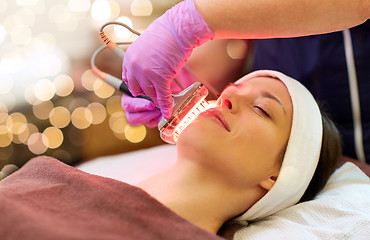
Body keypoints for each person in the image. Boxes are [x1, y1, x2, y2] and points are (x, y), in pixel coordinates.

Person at [0, 70, 341, 239]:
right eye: (229, 91)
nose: (224, 99)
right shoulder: (50, 174)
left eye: (261, 109)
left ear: (277, 177)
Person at [120, 0, 370, 163]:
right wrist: (178, 75)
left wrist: (186, 26)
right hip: (279, 91)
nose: (225, 98)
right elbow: (231, 35)